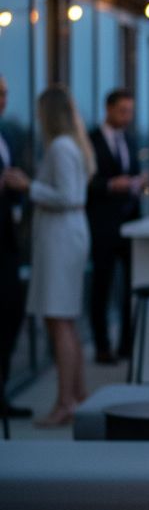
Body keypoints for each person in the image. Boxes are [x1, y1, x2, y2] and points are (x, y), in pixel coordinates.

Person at [2, 84, 95, 427]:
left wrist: (28, 187)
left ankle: (65, 403)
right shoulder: (73, 146)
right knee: (65, 320)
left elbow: (68, 196)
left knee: (59, 321)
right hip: (67, 237)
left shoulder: (60, 148)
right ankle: (78, 396)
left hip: (61, 239)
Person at [87, 88, 146, 364]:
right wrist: (112, 184)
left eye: (130, 111)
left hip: (129, 222)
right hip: (102, 223)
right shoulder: (91, 140)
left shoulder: (130, 140)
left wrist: (137, 183)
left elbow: (132, 172)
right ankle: (101, 346)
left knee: (130, 286)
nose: (127, 116)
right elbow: (86, 181)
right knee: (102, 285)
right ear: (108, 109)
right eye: (123, 110)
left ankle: (126, 344)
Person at [0, 73, 32, 419]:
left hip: (7, 242)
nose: (4, 100)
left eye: (6, 93)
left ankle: (3, 395)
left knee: (11, 314)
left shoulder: (6, 135)